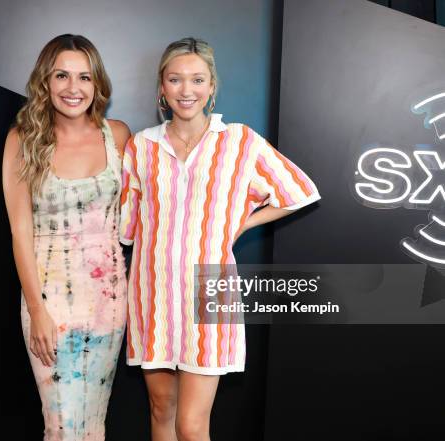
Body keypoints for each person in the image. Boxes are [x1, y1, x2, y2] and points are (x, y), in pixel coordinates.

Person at [119, 37, 320, 441]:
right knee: (161, 410)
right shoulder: (141, 146)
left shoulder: (239, 142)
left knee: (192, 425)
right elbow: (127, 226)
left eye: (197, 80)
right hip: (151, 292)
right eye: (175, 80)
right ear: (162, 87)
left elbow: (300, 191)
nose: (186, 90)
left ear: (212, 86)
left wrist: (242, 224)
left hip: (209, 291)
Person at [2, 34, 130, 441]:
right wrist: (38, 311)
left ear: (97, 85)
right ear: (46, 80)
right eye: (62, 76)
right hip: (50, 302)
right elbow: (20, 233)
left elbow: (141, 214)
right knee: (60, 426)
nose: (74, 88)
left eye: (84, 77)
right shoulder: (23, 140)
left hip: (109, 301)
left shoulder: (119, 136)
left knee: (93, 423)